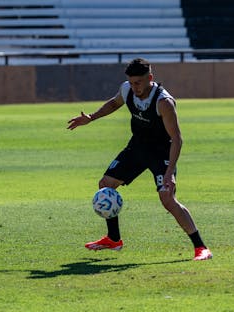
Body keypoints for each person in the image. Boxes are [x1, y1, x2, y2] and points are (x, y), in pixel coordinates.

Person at [67, 58, 213, 261]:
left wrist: (170, 173)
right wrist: (91, 117)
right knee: (106, 185)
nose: (134, 87)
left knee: (167, 199)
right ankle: (114, 239)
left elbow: (177, 139)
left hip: (162, 153)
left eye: (138, 83)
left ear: (150, 79)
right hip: (137, 148)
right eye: (132, 82)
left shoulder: (163, 102)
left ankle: (201, 248)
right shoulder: (127, 89)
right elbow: (114, 103)